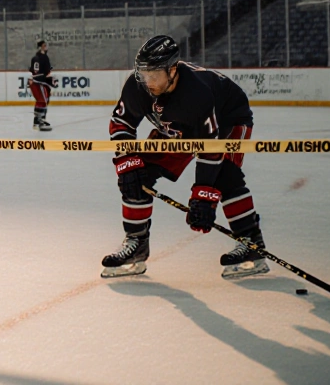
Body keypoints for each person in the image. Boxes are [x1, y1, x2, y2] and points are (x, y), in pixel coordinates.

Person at [101, 34, 267, 280]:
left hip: (227, 118)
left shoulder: (197, 92)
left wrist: (203, 196)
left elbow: (210, 146)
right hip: (177, 126)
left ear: (173, 70)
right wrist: (127, 162)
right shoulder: (137, 85)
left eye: (154, 75)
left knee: (225, 175)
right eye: (144, 75)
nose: (148, 82)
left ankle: (251, 243)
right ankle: (136, 244)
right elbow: (121, 123)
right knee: (138, 176)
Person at [29, 40, 54, 131]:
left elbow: (46, 70)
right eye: (44, 45)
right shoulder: (38, 58)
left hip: (43, 82)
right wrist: (46, 79)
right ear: (40, 47)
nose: (46, 47)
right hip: (40, 82)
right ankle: (39, 120)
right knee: (42, 101)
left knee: (44, 100)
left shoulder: (44, 57)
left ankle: (39, 120)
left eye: (46, 45)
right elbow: (36, 72)